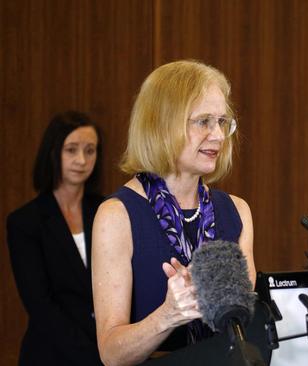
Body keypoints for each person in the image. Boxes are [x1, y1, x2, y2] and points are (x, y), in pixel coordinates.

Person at [92, 60, 256, 365]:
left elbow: (245, 328)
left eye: (223, 121)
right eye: (203, 121)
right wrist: (168, 316)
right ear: (162, 124)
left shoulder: (237, 212)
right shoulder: (117, 216)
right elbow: (111, 353)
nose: (218, 135)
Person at [6, 111, 103, 365]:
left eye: (90, 150)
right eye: (71, 150)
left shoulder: (108, 210)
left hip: (108, 347)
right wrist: (92, 357)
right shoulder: (25, 222)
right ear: (53, 152)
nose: (81, 160)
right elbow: (40, 306)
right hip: (52, 354)